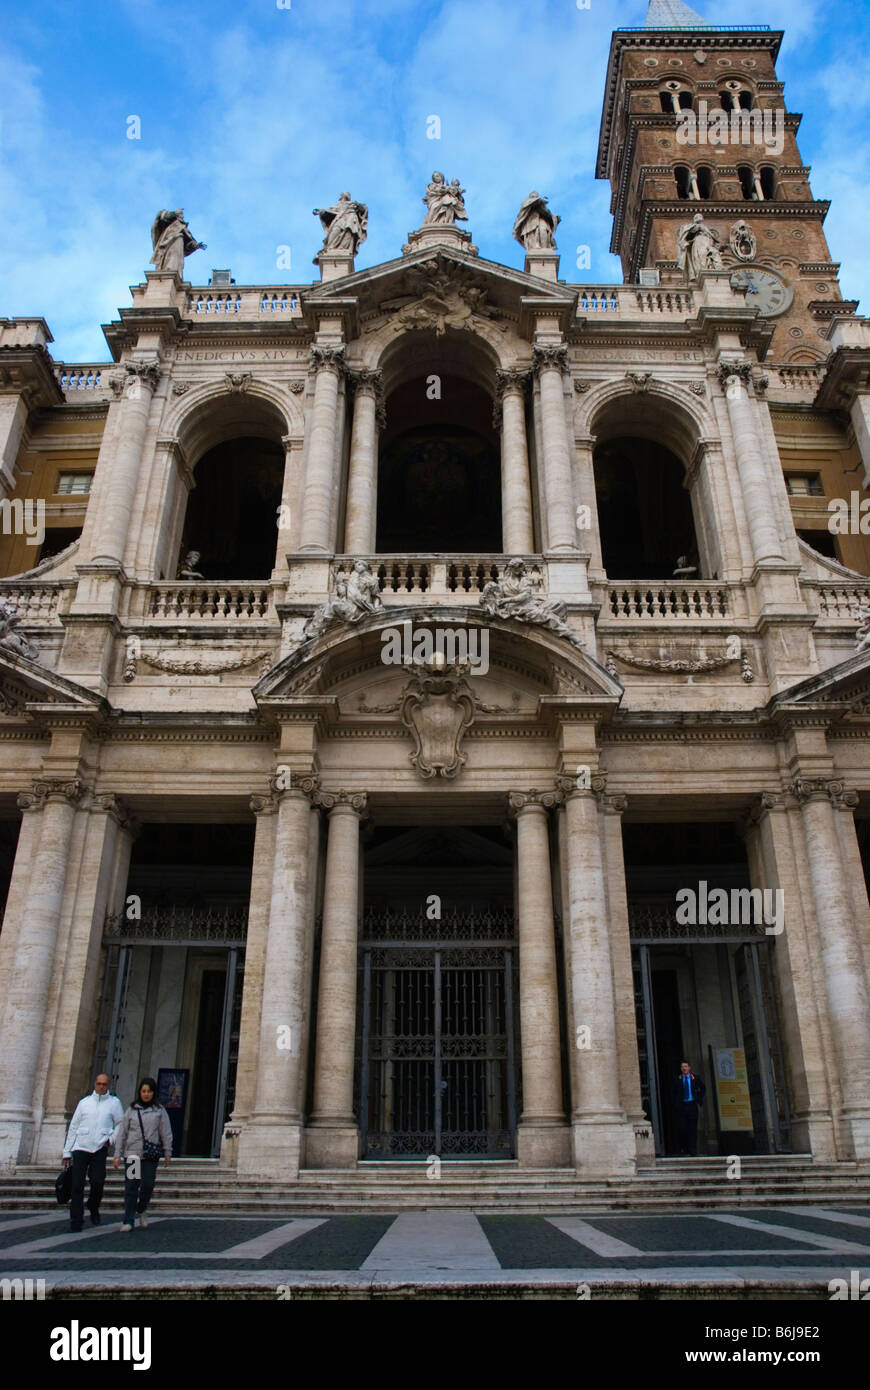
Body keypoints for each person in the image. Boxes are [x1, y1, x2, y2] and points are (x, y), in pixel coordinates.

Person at [62, 1073, 124, 1232]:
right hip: (81, 1147)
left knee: (98, 1181)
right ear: (94, 1084)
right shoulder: (84, 1103)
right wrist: (67, 1152)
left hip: (99, 1148)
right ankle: (76, 1220)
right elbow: (74, 1127)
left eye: (104, 1084)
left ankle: (93, 1205)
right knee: (77, 1185)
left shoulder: (114, 1103)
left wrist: (110, 1140)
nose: (101, 1086)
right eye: (99, 1083)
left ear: (108, 1085)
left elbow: (120, 1124)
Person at [112, 1077, 173, 1232]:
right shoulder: (131, 1110)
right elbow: (122, 1133)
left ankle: (142, 1207)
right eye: (144, 1091)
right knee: (131, 1186)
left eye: (149, 1091)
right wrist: (117, 1154)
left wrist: (168, 1152)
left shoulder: (159, 1110)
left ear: (154, 1093)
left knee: (147, 1184)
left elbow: (165, 1132)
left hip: (150, 1155)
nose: (146, 1094)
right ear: (140, 1092)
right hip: (132, 1153)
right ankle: (128, 1220)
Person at [672, 1060, 706, 1156]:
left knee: (693, 1129)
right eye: (682, 1067)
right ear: (681, 1069)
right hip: (682, 1106)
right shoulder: (677, 1079)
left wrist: (698, 1099)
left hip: (692, 1105)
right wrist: (676, 1103)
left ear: (689, 1068)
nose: (684, 1068)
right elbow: (673, 1092)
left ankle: (693, 1151)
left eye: (686, 1066)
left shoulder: (695, 1078)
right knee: (682, 1129)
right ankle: (684, 1149)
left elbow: (703, 1088)